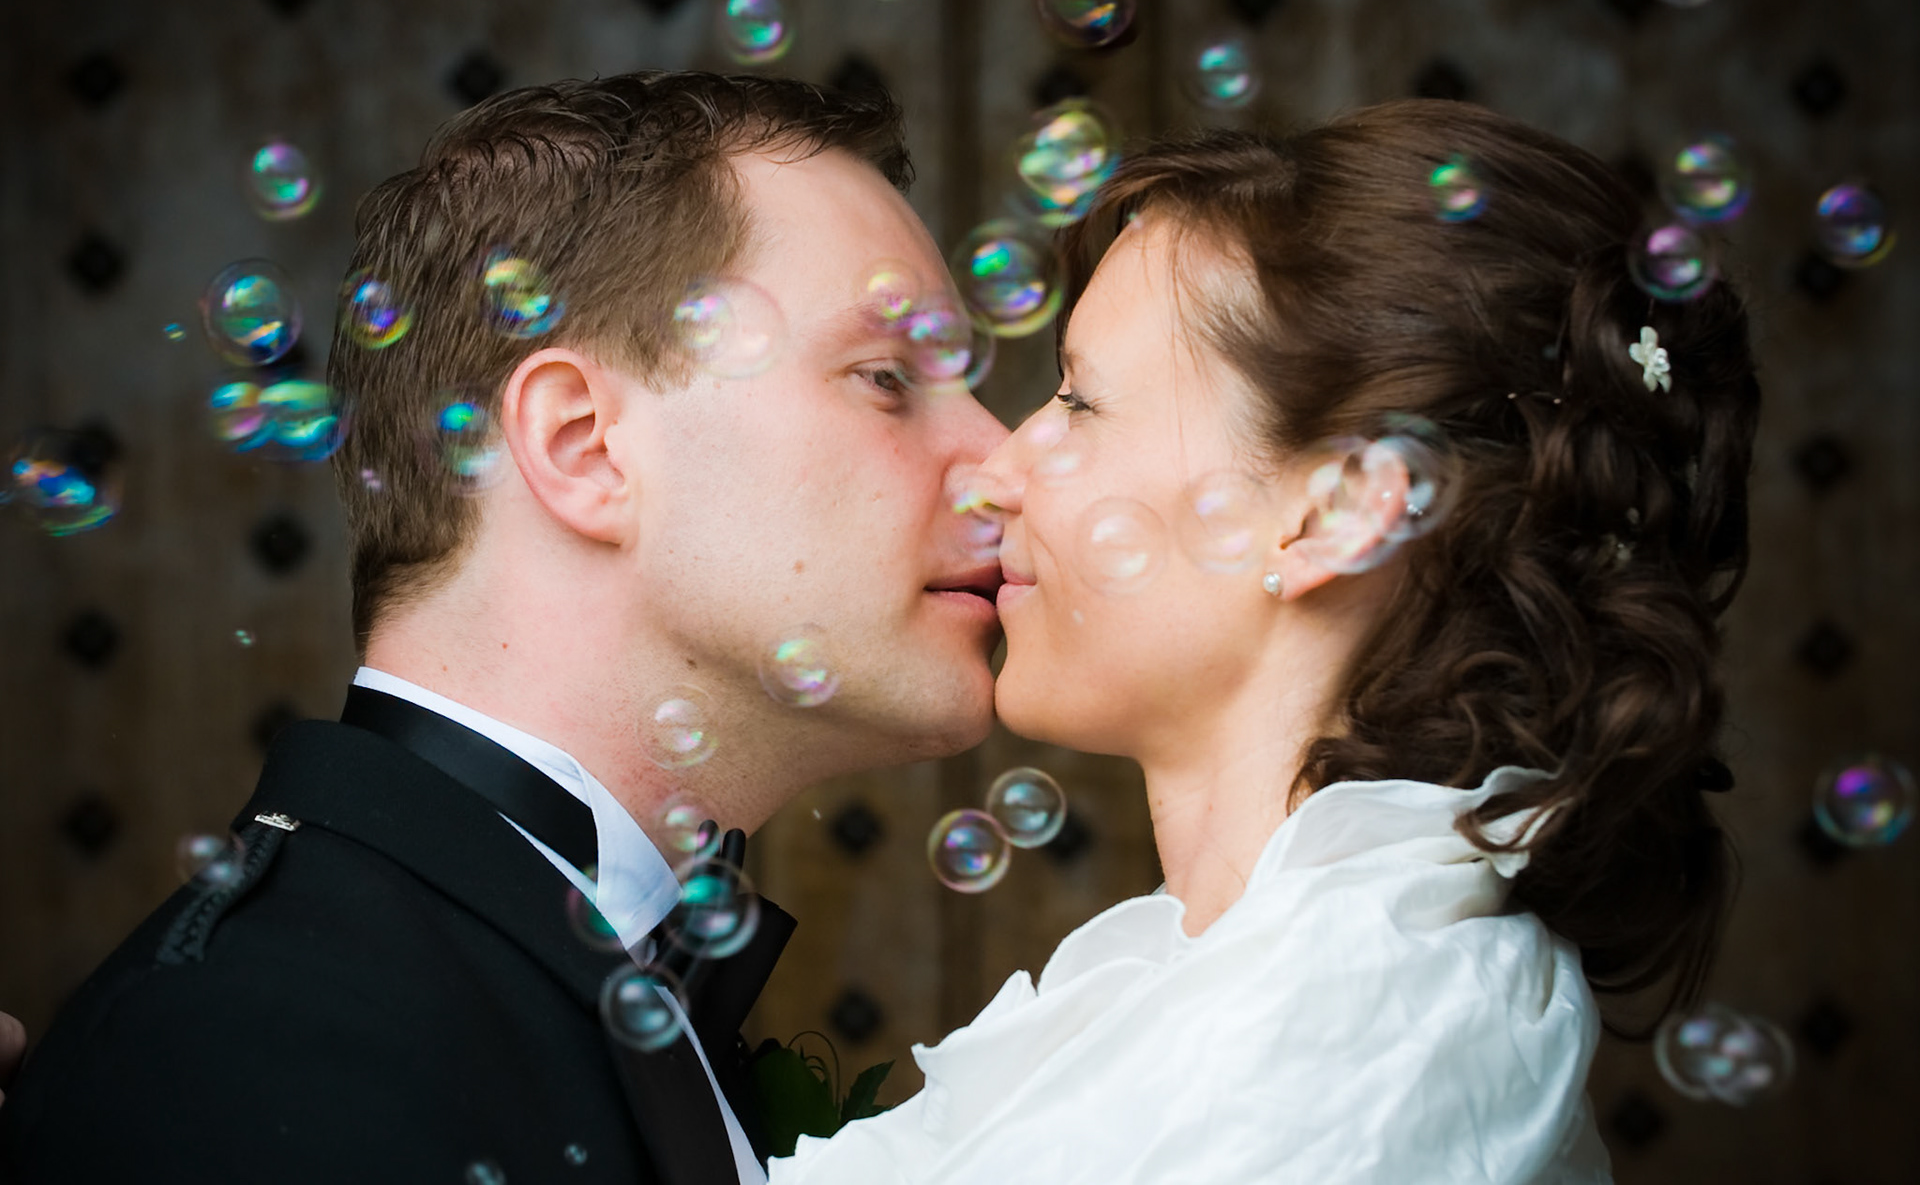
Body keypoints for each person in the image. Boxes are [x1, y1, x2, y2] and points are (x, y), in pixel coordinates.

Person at [0, 72, 1007, 1184]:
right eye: (886, 376)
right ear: (581, 444)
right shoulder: (256, 1052)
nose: (1002, 463)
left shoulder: (458, 983)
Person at [770, 100, 1757, 1182]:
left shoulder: (1369, 1035)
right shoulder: (1249, 975)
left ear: (1338, 513)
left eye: (1081, 402)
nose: (1003, 470)